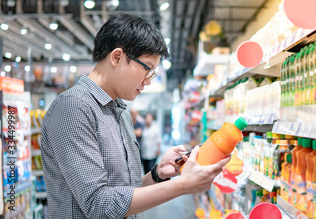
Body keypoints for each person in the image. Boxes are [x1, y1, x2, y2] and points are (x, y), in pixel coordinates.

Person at [40, 14, 230, 218]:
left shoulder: (120, 111)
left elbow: (124, 192)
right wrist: (183, 186)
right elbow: (99, 205)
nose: (148, 80)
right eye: (147, 68)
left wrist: (157, 174)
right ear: (117, 57)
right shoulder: (74, 107)